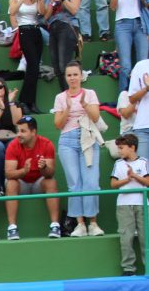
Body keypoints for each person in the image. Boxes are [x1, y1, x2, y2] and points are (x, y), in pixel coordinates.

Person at [53, 61, 104, 237]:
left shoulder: (90, 94)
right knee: (74, 184)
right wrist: (67, 107)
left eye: (75, 74)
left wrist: (84, 104)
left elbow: (96, 117)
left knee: (91, 182)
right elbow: (58, 124)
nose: (73, 78)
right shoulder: (60, 97)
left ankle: (93, 223)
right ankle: (80, 224)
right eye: (69, 75)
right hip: (67, 141)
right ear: (66, 78)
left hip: (88, 138)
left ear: (81, 76)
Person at [4, 114, 61, 239]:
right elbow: (8, 173)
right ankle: (12, 228)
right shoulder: (13, 145)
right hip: (21, 183)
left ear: (33, 132)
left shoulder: (46, 144)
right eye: (18, 131)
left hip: (38, 183)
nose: (18, 134)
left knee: (51, 182)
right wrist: (23, 171)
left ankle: (55, 226)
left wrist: (44, 168)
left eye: (23, 131)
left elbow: (50, 173)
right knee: (11, 183)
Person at [109, 0, 149, 93]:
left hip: (140, 24)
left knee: (143, 63)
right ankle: (124, 97)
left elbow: (147, 4)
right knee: (125, 65)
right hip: (122, 25)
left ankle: (143, 96)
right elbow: (113, 7)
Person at [111, 134, 147, 275]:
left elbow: (148, 182)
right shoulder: (118, 164)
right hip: (124, 205)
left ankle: (147, 267)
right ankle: (128, 268)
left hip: (142, 204)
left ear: (132, 148)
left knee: (146, 237)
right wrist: (127, 179)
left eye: (121, 148)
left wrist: (135, 176)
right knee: (126, 237)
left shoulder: (144, 162)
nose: (119, 151)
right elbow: (113, 184)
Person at [10, 0, 46, 114]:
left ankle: (31, 102)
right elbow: (12, 12)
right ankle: (24, 101)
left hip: (36, 31)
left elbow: (42, 12)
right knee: (32, 65)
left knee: (35, 68)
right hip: (24, 31)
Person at [43, 0, 81, 90]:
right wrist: (52, 0)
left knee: (64, 64)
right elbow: (46, 17)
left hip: (67, 26)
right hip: (53, 27)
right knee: (57, 67)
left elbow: (74, 10)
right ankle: (65, 98)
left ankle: (71, 99)